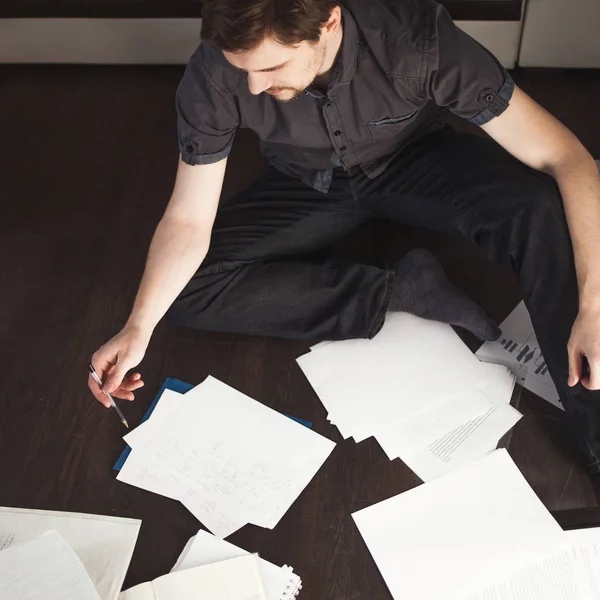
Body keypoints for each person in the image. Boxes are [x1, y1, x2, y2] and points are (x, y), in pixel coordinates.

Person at [88, 0, 600, 472]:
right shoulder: (217, 71)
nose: (253, 87)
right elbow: (187, 220)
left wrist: (594, 308)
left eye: (270, 68)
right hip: (307, 181)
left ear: (328, 22)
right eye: (243, 69)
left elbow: (567, 157)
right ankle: (399, 289)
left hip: (417, 161)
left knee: (538, 207)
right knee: (181, 292)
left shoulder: (418, 42)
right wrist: (138, 327)